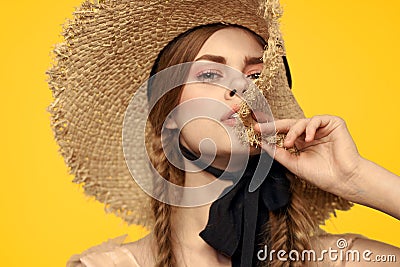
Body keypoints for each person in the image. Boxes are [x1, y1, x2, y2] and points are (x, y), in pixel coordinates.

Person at [47, 0, 400, 266]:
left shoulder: (340, 259)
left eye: (256, 75)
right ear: (168, 116)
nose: (240, 86)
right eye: (210, 74)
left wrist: (357, 177)